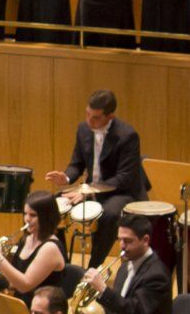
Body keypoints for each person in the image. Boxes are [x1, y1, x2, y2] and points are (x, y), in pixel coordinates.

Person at [49, 89, 148, 264]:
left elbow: (124, 178)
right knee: (50, 205)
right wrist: (66, 178)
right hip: (90, 189)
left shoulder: (127, 136)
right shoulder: (83, 129)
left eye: (95, 117)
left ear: (110, 117)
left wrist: (89, 192)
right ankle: (61, 262)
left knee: (109, 215)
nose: (89, 120)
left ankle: (94, 267)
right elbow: (76, 164)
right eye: (87, 114)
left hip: (120, 192)